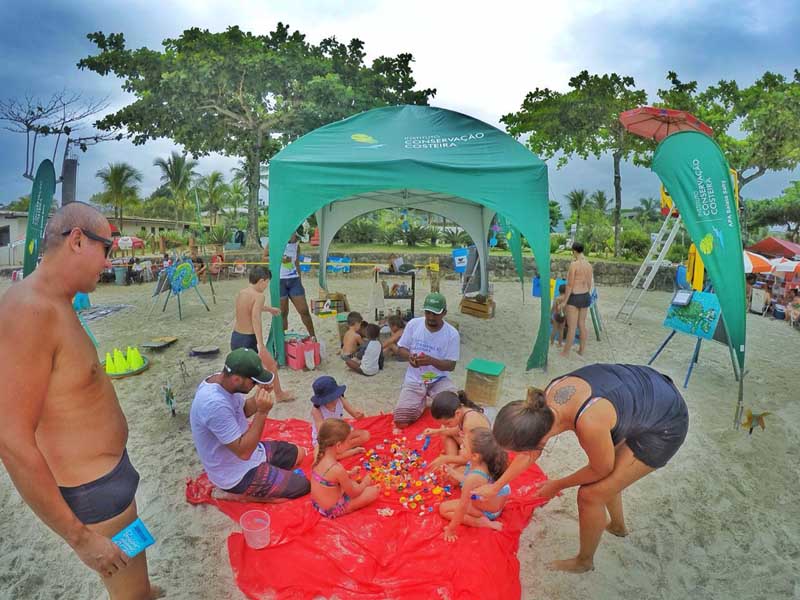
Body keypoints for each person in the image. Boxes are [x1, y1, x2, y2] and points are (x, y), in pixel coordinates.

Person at [0, 202, 161, 599]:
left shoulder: (58, 301)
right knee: (131, 596)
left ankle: (137, 585)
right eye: (107, 249)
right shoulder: (30, 311)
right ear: (77, 240)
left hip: (111, 475)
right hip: (94, 489)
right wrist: (81, 539)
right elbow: (11, 440)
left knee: (135, 576)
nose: (109, 263)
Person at [477, 363, 689, 573]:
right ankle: (617, 526)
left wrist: (557, 485)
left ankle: (584, 562)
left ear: (539, 443)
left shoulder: (589, 422)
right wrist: (496, 487)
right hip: (643, 395)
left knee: (591, 495)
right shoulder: (542, 404)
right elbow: (530, 453)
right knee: (611, 479)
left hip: (666, 423)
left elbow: (600, 469)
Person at [190, 349, 310, 503]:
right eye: (254, 381)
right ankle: (239, 495)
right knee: (302, 486)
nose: (256, 384)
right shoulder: (214, 404)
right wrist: (262, 412)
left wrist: (258, 395)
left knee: (298, 454)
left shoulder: (224, 381)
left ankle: (262, 479)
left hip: (250, 451)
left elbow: (244, 410)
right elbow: (244, 452)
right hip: (233, 473)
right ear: (236, 379)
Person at [393, 293, 460, 428]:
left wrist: (431, 361)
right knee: (401, 421)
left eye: (435, 314)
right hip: (415, 380)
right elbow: (401, 349)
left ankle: (426, 397)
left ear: (444, 313)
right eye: (428, 312)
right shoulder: (413, 324)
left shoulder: (452, 334)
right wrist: (410, 357)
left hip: (438, 380)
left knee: (454, 411)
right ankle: (420, 400)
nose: (430, 317)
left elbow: (451, 365)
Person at [231, 266, 294, 402]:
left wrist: (269, 309)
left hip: (236, 337)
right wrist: (260, 344)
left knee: (242, 372)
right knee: (271, 366)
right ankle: (278, 395)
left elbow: (250, 307)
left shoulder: (243, 292)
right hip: (248, 339)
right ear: (261, 281)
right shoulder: (259, 296)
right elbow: (255, 318)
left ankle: (263, 395)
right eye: (267, 282)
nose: (266, 286)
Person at [439, 428, 510, 541]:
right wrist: (452, 472)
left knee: (444, 509)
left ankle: (481, 522)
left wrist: (451, 529)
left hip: (487, 513)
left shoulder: (474, 477)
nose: (461, 448)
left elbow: (462, 507)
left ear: (475, 456)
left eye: (464, 446)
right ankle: (482, 517)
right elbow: (472, 482)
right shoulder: (489, 464)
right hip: (496, 505)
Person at [310, 419, 380, 519]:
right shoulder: (337, 469)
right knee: (373, 492)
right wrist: (365, 482)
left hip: (317, 504)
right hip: (331, 509)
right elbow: (354, 493)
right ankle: (350, 507)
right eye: (348, 442)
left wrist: (349, 473)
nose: (350, 444)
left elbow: (327, 476)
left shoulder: (318, 452)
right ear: (338, 445)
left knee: (353, 483)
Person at [263, 229, 316, 338]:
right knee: (283, 313)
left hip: (294, 280)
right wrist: (279, 259)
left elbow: (296, 263)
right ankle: (282, 339)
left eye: (294, 235)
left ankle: (313, 337)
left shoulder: (297, 245)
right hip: (279, 281)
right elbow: (264, 257)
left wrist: (300, 281)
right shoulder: (274, 242)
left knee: (304, 311)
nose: (292, 237)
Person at [423, 390, 490, 469]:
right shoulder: (462, 412)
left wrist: (445, 459)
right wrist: (437, 431)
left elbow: (472, 457)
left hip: (481, 455)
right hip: (469, 444)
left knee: (456, 477)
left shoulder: (469, 423)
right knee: (444, 430)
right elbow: (458, 430)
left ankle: (453, 464)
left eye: (448, 422)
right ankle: (453, 462)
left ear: (457, 413)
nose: (447, 425)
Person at [309, 376, 369, 451]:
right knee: (321, 450)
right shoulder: (316, 411)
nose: (334, 401)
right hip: (328, 438)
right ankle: (342, 450)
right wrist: (336, 437)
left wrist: (360, 415)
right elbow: (322, 433)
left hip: (341, 433)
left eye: (335, 397)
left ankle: (340, 450)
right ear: (321, 400)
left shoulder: (340, 399)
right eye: (329, 400)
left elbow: (355, 414)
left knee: (365, 435)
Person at [561, 241, 593, 358]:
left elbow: (569, 285)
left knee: (572, 327)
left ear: (574, 251)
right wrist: (586, 294)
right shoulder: (589, 265)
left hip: (574, 297)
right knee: (582, 325)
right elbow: (589, 284)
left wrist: (564, 301)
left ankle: (565, 352)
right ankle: (581, 350)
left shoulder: (573, 265)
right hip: (585, 296)